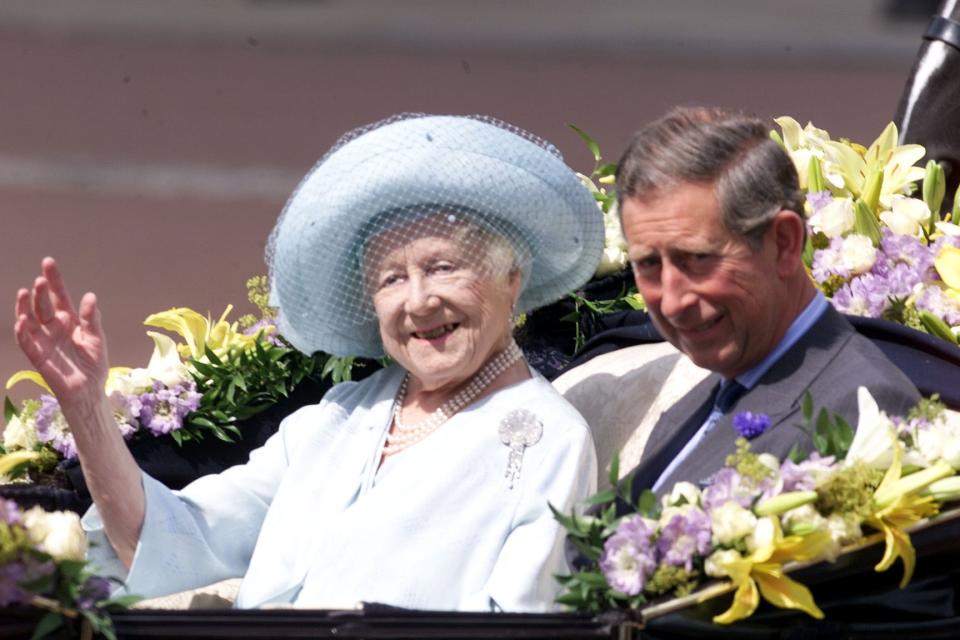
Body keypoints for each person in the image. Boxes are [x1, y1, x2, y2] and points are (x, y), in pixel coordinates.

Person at [13, 114, 603, 611]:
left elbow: (522, 624)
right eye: (391, 279)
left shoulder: (549, 439)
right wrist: (86, 408)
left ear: (511, 278)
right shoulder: (342, 415)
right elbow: (180, 538)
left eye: (444, 267)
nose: (418, 301)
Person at [612, 106, 921, 495]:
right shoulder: (694, 406)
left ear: (785, 243)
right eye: (649, 264)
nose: (673, 302)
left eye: (699, 259)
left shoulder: (863, 410)